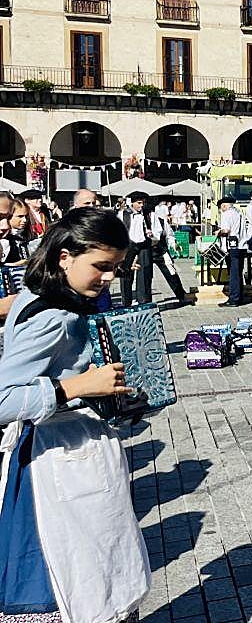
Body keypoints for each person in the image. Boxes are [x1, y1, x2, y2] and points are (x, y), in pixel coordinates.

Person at [0, 208, 151, 623]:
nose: (108, 278)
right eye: (101, 266)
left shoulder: (46, 297)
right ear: (65, 256)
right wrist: (78, 388)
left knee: (95, 574)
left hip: (68, 454)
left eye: (116, 268)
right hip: (58, 464)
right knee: (80, 580)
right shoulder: (51, 316)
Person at [118, 191, 155, 307]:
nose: (141, 205)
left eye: (143, 203)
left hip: (144, 244)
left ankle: (143, 301)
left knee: (145, 272)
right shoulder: (123, 214)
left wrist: (151, 234)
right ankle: (126, 303)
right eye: (139, 203)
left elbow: (157, 230)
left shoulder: (148, 214)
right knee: (126, 273)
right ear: (132, 203)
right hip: (129, 245)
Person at [216, 197, 248, 307]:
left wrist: (218, 232)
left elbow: (226, 230)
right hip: (242, 246)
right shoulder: (239, 213)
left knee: (233, 274)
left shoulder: (226, 214)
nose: (221, 211)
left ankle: (233, 299)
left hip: (232, 246)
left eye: (220, 208)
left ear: (224, 206)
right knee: (239, 272)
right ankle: (239, 297)